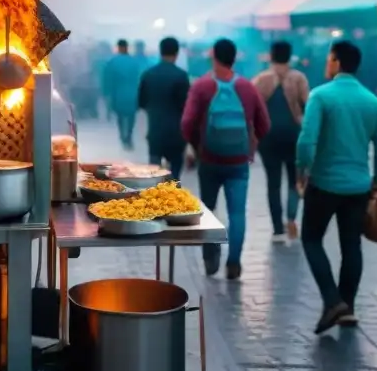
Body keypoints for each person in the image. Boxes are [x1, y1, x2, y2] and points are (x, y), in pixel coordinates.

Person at [297, 40, 377, 334]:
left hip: (324, 183)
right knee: (352, 245)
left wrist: (303, 170)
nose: (326, 64)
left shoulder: (320, 96)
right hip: (359, 187)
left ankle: (331, 299)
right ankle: (347, 307)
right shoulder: (372, 101)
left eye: (329, 59)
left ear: (337, 62)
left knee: (312, 239)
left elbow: (306, 140)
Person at [181, 38, 270, 280]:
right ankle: (234, 262)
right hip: (238, 162)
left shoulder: (201, 87)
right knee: (237, 213)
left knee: (208, 210)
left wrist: (196, 146)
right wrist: (251, 145)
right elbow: (264, 124)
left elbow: (187, 122)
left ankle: (211, 258)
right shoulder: (247, 88)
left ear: (213, 56)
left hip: (209, 160)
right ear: (235, 58)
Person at [252, 40, 311, 242]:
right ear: (290, 56)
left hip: (268, 138)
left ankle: (277, 229)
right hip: (294, 136)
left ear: (271, 56)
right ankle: (292, 218)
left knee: (273, 183)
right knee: (295, 180)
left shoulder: (261, 80)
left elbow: (251, 109)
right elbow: (308, 106)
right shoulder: (299, 78)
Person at [138, 37, 191, 179]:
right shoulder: (181, 76)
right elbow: (186, 106)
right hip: (176, 135)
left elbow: (141, 102)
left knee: (154, 176)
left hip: (155, 132)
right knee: (174, 177)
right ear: (177, 53)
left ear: (160, 52)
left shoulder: (148, 75)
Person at [102, 39, 142, 149]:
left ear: (118, 47)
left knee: (120, 116)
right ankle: (129, 136)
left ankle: (122, 136)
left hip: (118, 93)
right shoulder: (134, 62)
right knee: (131, 116)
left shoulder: (112, 62)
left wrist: (106, 94)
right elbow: (139, 78)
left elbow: (107, 79)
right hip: (133, 93)